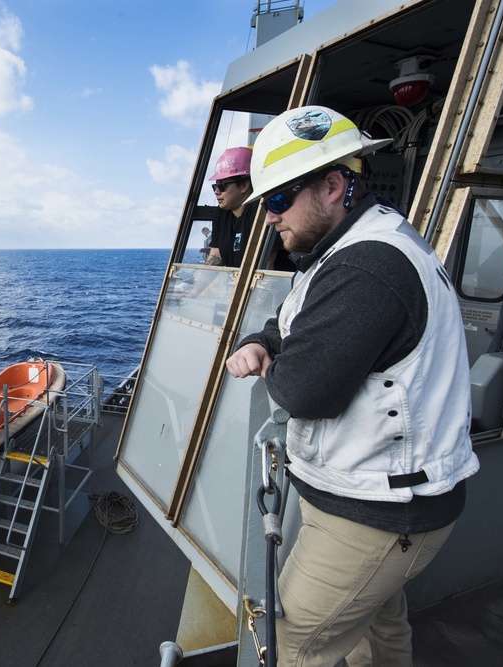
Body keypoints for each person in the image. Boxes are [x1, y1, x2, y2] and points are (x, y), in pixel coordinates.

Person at [225, 105, 479, 666]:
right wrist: (266, 341)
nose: (269, 218)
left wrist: (275, 364)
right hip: (373, 500)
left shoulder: (366, 267)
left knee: (289, 647)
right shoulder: (345, 249)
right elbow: (292, 318)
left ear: (335, 185)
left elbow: (304, 391)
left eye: (277, 200)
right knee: (379, 631)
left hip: (374, 518)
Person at [206, 147, 257, 267]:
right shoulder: (221, 213)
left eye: (222, 186)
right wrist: (200, 286)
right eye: (215, 186)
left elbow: (266, 264)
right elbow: (215, 254)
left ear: (244, 186)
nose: (217, 192)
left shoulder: (260, 211)